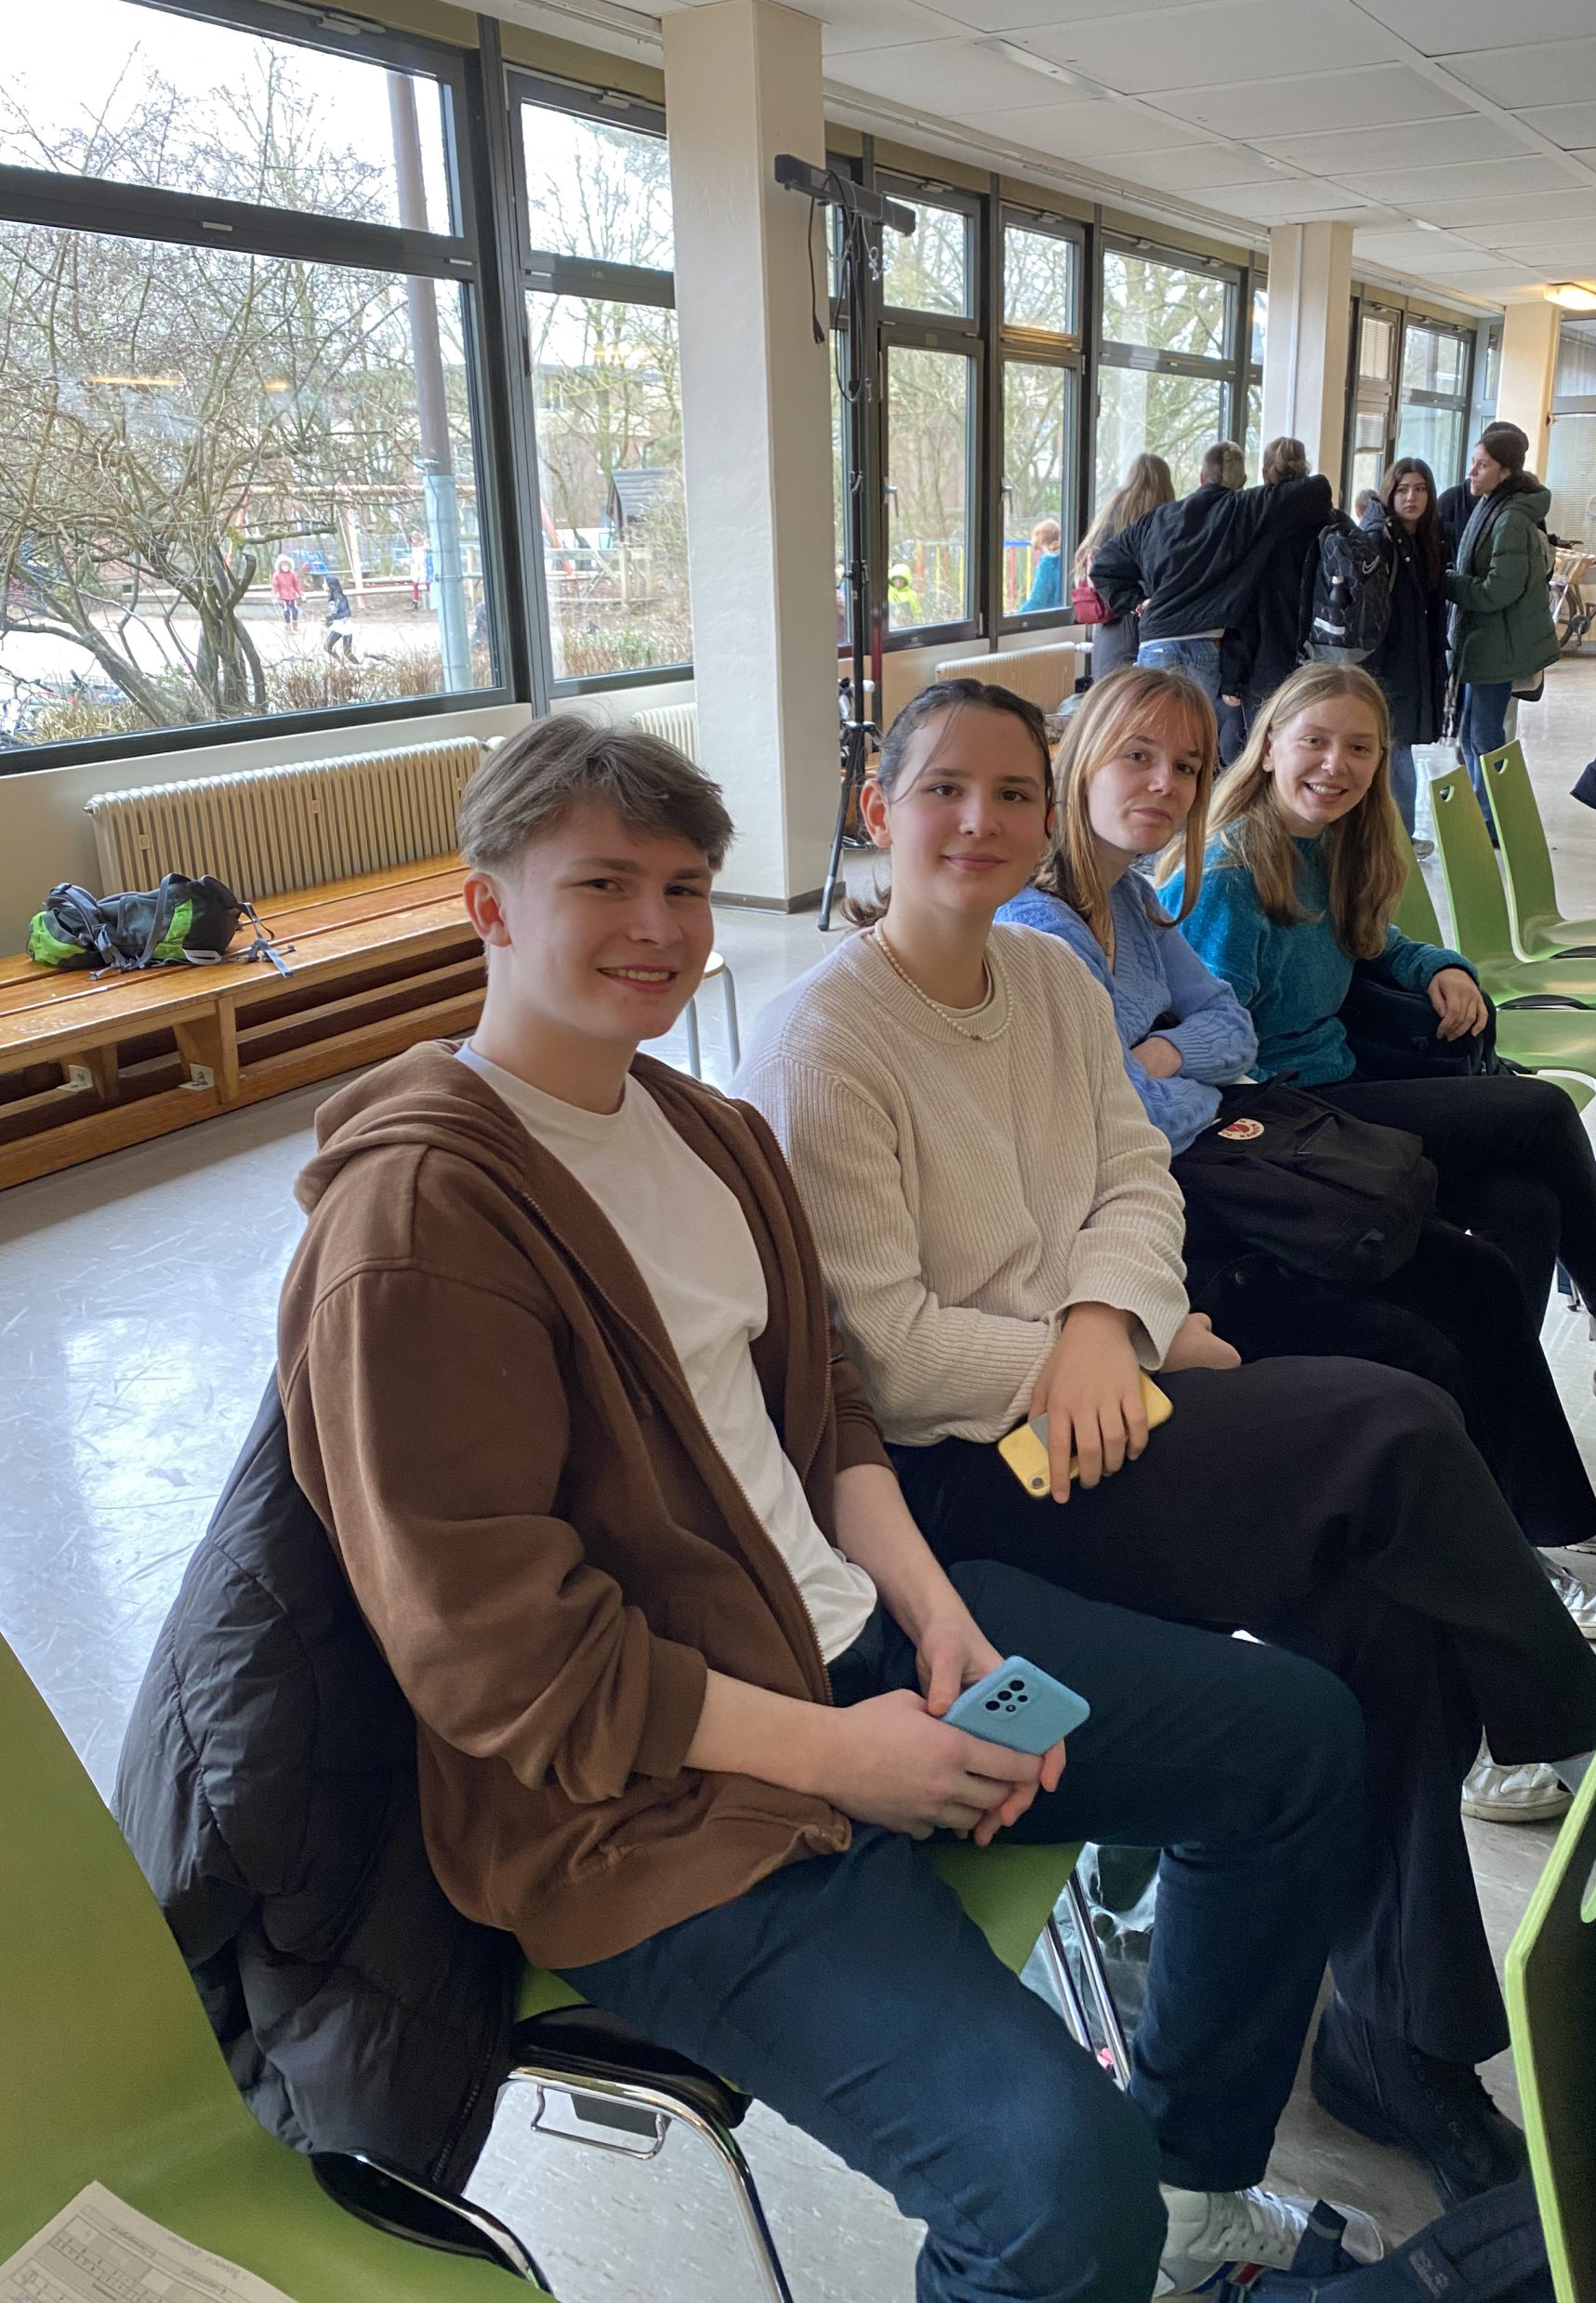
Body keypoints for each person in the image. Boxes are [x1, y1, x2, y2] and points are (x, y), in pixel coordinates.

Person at [278, 713, 1392, 2300]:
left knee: (1299, 1741)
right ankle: (1129, 2210)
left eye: (684, 887)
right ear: (489, 907)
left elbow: (827, 1412)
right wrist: (840, 1757)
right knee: (1060, 2199)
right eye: (602, 884)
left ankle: (1199, 2182)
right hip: (647, 1804)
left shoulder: (707, 1132)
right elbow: (502, 1661)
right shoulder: (421, 1221)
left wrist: (935, 1618)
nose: (658, 928)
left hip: (859, 1644)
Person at [739, 675, 1596, 2207]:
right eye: (945, 789)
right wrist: (1104, 1349)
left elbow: (1135, 1189)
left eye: (1014, 794)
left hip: (1095, 1398)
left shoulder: (1049, 979)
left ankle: (1397, 2041)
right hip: (963, 1474)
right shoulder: (826, 1038)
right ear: (880, 811)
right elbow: (886, 1351)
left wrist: (1111, 1324)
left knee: (1384, 1619)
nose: (984, 820)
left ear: (1045, 814)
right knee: (1395, 1424)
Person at [996, 660, 1596, 1591]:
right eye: (1138, 757)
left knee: (1494, 1258)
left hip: (1229, 1152)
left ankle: (1539, 1517)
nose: (1165, 784)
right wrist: (1185, 1080)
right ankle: (1505, 1548)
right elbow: (1127, 1119)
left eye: (1185, 765)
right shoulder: (1051, 928)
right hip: (1172, 1215)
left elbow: (1225, 1025)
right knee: (1430, 1328)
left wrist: (1164, 1058)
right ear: (1082, 762)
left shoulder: (1132, 899)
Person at [1164, 661, 1596, 1442]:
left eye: (1359, 748)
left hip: (1341, 1083)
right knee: (1539, 1109)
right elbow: (1211, 1042)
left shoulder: (1333, 844)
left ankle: (1490, 1425)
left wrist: (1440, 967)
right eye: (1314, 741)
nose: (1336, 765)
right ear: (1267, 748)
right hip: (1283, 1115)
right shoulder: (1232, 874)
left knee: (1525, 1207)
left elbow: (1379, 941)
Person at [1090, 440, 1330, 718]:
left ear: (1202, 477)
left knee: (1148, 728)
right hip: (1204, 643)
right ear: (1242, 481)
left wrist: (1136, 601)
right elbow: (1318, 490)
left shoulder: (1158, 518)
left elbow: (1103, 565)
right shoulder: (1242, 508)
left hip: (1156, 640)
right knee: (1196, 732)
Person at [1444, 423, 1560, 829]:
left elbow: (1499, 591)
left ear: (1505, 472)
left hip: (1498, 647)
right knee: (1472, 735)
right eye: (1473, 463)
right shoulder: (1492, 505)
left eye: (1482, 465)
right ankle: (1483, 814)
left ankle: (1491, 821)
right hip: (1483, 644)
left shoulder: (1509, 517)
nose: (1472, 472)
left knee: (1485, 737)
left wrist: (1448, 582)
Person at [1218, 437, 1329, 761]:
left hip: (1266, 662)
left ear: (1265, 474)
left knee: (1259, 756)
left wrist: (1233, 675)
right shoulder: (1333, 521)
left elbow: (1245, 606)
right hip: (1324, 659)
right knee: (1307, 754)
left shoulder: (1257, 527)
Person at [1359, 458, 1448, 843]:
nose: (1412, 497)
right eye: (1403, 489)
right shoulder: (1381, 540)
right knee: (1396, 753)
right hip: (1386, 670)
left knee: (1397, 751)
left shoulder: (1423, 541)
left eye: (1420, 489)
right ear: (1389, 493)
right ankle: (1400, 841)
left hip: (1409, 666)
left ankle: (1396, 839)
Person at [1075, 453, 1174, 681]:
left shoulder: (1111, 509)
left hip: (1109, 619)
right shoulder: (1163, 516)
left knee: (1111, 689)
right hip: (1146, 616)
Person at [1020, 518, 1062, 614]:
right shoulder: (1065, 560)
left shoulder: (1048, 563)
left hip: (1051, 618)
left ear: (1040, 543)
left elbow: (1037, 600)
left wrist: (1018, 614)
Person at [323, 572, 357, 663]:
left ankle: (355, 665)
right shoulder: (333, 596)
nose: (323, 585)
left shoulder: (339, 598)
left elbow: (345, 613)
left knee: (346, 652)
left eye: (324, 583)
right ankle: (341, 663)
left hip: (344, 626)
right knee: (328, 646)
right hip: (338, 626)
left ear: (330, 585)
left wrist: (332, 618)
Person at [271, 554, 303, 628]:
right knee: (286, 610)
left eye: (287, 565)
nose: (285, 567)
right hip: (283, 596)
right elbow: (274, 586)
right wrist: (274, 596)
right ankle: (288, 624)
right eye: (283, 565)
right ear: (280, 566)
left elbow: (297, 584)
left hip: (292, 595)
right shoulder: (277, 575)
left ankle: (295, 623)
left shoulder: (292, 574)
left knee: (295, 609)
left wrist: (301, 594)